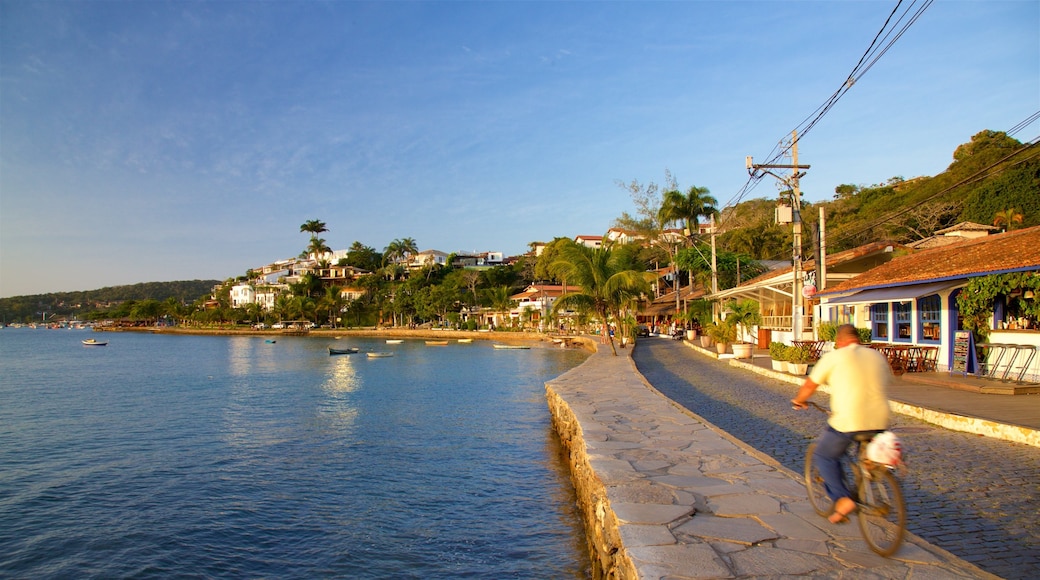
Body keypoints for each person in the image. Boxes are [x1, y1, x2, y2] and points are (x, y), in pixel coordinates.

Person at [791, 324, 892, 524]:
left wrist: (799, 400)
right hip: (881, 420)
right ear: (858, 339)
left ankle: (842, 499)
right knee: (866, 454)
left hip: (849, 421)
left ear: (839, 342)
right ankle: (869, 471)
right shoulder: (877, 356)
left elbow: (810, 385)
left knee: (824, 455)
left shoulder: (833, 357)